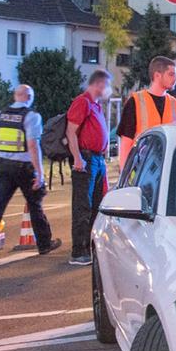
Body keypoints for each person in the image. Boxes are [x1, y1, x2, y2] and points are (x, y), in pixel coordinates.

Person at [0, 85, 61, 264]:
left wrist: (3, 155)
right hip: (24, 167)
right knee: (34, 204)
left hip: (3, 166)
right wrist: (39, 173)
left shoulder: (0, 115)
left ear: (16, 96)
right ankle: (44, 244)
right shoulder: (32, 117)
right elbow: (33, 145)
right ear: (29, 97)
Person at [66, 69, 113, 266]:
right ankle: (79, 251)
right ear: (99, 84)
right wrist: (77, 157)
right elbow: (71, 132)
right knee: (83, 206)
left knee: (96, 205)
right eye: (107, 85)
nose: (108, 90)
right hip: (85, 159)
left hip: (97, 159)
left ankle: (90, 246)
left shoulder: (96, 106)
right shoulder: (82, 102)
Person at [118, 56, 176, 167]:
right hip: (141, 169)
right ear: (157, 75)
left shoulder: (175, 104)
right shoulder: (135, 101)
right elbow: (126, 141)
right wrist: (124, 175)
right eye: (171, 74)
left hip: (167, 167)